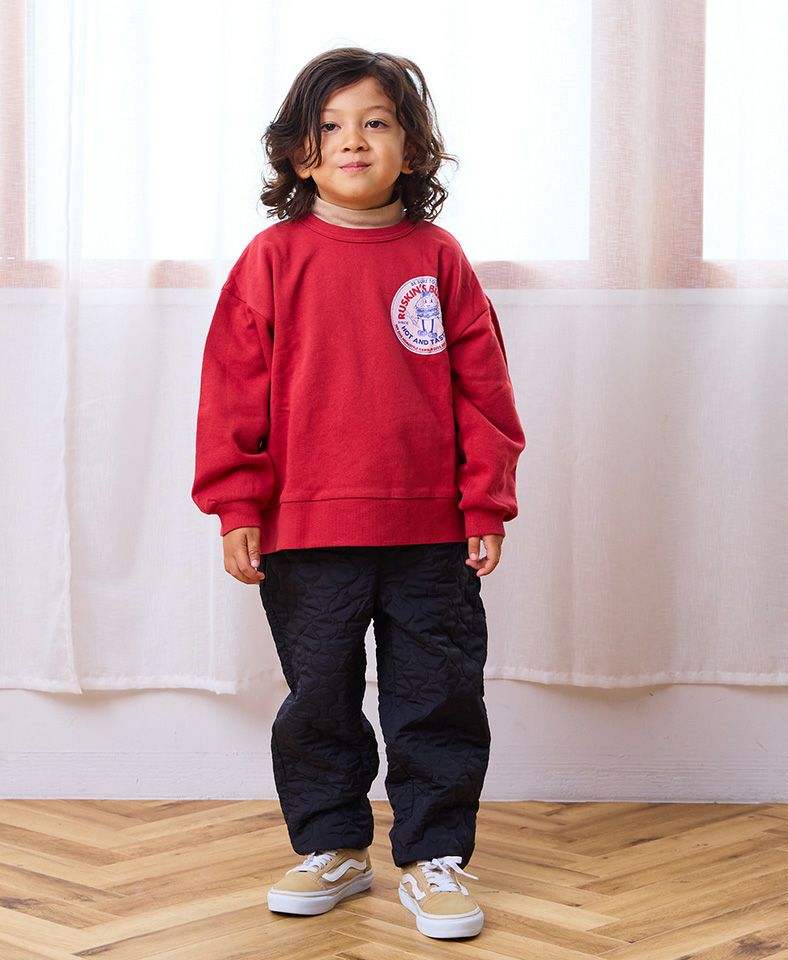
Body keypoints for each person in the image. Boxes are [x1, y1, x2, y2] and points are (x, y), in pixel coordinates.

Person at [191, 46, 526, 941]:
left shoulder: (438, 257)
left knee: (438, 694)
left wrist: (486, 502)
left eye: (376, 122)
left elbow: (484, 392)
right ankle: (333, 846)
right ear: (298, 152)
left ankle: (434, 856)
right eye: (330, 126)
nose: (353, 140)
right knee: (319, 698)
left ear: (411, 149)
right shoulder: (270, 260)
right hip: (306, 532)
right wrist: (236, 507)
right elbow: (231, 392)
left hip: (432, 534)